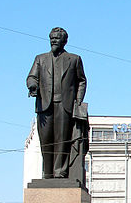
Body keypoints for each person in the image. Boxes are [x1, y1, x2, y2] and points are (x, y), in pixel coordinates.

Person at [27, 27, 87, 182]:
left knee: (62, 139)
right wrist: (32, 85)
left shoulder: (74, 59)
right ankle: (47, 173)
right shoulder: (40, 59)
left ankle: (60, 172)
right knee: (46, 139)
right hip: (44, 106)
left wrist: (78, 101)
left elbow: (81, 81)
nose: (53, 41)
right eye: (51, 38)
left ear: (64, 41)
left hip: (65, 105)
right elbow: (32, 76)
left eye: (56, 38)